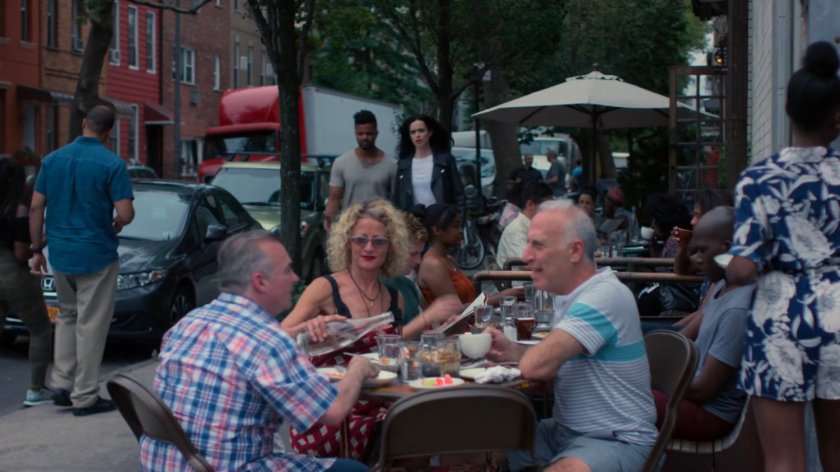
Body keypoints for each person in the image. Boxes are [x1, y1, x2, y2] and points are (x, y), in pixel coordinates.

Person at [139, 230, 376, 471]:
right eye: (286, 270)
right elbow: (333, 411)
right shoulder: (269, 343)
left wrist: (301, 330)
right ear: (260, 281)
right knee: (353, 469)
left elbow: (240, 343)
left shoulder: (188, 324)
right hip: (229, 467)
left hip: (165, 464)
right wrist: (357, 368)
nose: (295, 278)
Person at [726, 41, 840, 471]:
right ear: (838, 117)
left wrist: (733, 265)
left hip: (780, 316)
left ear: (787, 106)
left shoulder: (760, 179)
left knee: (784, 461)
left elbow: (744, 267)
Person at [281, 198, 461, 460]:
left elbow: (391, 350)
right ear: (347, 242)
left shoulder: (393, 295)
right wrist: (308, 327)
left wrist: (435, 332)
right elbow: (273, 339)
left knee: (433, 417)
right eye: (360, 240)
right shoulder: (325, 287)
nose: (369, 247)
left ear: (391, 247)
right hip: (332, 408)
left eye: (379, 241)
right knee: (408, 429)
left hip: (380, 400)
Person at [486, 199, 657, 471]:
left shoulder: (604, 296)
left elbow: (536, 365)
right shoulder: (572, 296)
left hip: (617, 440)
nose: (526, 255)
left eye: (538, 245)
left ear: (575, 251)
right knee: (472, 451)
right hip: (565, 433)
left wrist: (528, 362)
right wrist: (509, 350)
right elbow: (546, 363)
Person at [29, 105, 135, 416]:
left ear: (85, 123)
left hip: (61, 253)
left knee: (66, 316)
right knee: (92, 325)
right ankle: (85, 395)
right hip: (97, 253)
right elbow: (126, 212)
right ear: (109, 131)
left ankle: (61, 383)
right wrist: (118, 222)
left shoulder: (53, 160)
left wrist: (37, 250)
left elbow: (36, 207)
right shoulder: (112, 164)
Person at [652, 206, 754, 440]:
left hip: (710, 415)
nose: (696, 259)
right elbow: (680, 340)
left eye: (701, 251)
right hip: (686, 398)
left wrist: (649, 376)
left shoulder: (739, 307)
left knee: (620, 401)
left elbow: (703, 390)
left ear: (726, 250)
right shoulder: (721, 286)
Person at [0, 160, 53, 406]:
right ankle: (36, 388)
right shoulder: (18, 209)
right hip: (13, 275)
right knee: (40, 329)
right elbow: (22, 253)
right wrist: (41, 240)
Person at [415, 203, 520, 306]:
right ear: (437, 230)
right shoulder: (433, 264)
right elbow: (454, 310)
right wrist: (499, 298)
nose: (460, 231)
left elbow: (469, 301)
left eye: (460, 226)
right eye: (455, 226)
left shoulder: (449, 260)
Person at [324, 110, 396, 230]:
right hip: (349, 227)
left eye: (369, 134)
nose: (365, 137)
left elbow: (395, 202)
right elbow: (334, 198)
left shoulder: (391, 165)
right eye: (360, 134)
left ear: (376, 134)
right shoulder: (341, 162)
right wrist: (330, 222)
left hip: (380, 228)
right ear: (355, 134)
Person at [391, 114, 463, 212]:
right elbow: (397, 200)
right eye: (413, 132)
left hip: (441, 221)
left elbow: (459, 195)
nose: (417, 135)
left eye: (421, 130)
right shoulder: (403, 165)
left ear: (430, 132)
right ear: (409, 136)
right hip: (413, 222)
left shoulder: (446, 161)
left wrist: (458, 219)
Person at [673, 187, 733, 275]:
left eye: (698, 216)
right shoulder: (711, 246)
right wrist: (684, 246)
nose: (692, 221)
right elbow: (683, 269)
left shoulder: (735, 253)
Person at [383, 211, 428, 325]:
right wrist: (429, 316)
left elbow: (418, 336)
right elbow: (389, 338)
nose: (419, 261)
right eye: (413, 254)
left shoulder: (408, 286)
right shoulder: (374, 288)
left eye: (420, 254)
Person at [496, 182, 553, 269]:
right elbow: (527, 264)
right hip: (522, 281)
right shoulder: (516, 230)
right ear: (530, 204)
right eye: (548, 207)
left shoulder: (536, 227)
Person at [644, 193, 692, 260]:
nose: (652, 225)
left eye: (654, 221)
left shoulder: (674, 240)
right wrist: (652, 242)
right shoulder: (674, 236)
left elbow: (663, 268)